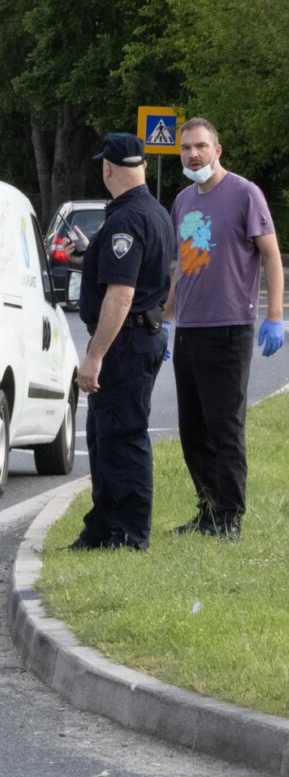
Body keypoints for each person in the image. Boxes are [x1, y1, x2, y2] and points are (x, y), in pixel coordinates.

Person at [161, 118, 284, 542]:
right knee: (193, 428)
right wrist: (167, 320)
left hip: (229, 328)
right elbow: (183, 266)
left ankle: (230, 519)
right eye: (186, 149)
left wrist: (274, 316)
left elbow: (270, 256)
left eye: (200, 146)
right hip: (190, 329)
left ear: (218, 150)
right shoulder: (182, 201)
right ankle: (208, 509)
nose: (193, 154)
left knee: (224, 427)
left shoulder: (244, 194)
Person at [69, 133, 177, 551]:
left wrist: (94, 355)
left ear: (107, 168)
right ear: (144, 167)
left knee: (124, 437)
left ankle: (129, 533)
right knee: (103, 435)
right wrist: (91, 254)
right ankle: (102, 525)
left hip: (124, 343)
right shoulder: (153, 212)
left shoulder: (126, 220)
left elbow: (122, 293)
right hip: (136, 336)